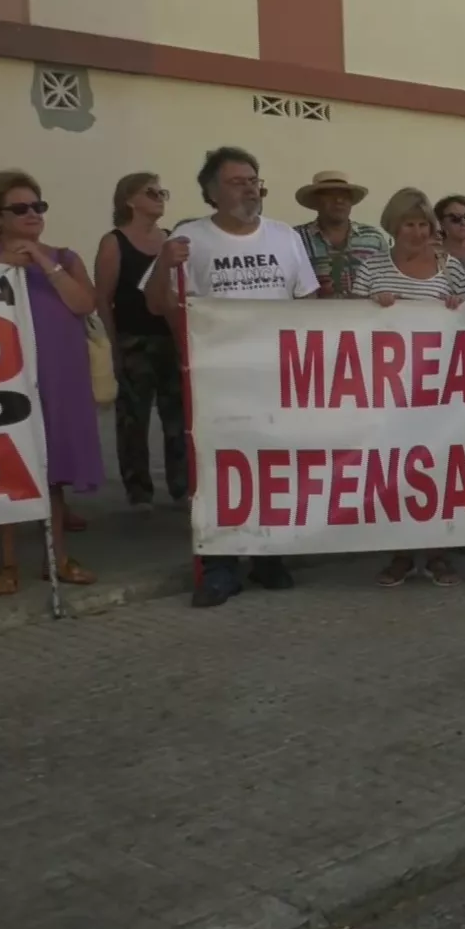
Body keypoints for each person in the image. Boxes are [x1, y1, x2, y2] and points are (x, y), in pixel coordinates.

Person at [144, 147, 321, 607]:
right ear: (211, 191)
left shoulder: (284, 237)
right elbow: (158, 305)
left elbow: (307, 306)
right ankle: (221, 565)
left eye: (253, 179)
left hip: (277, 376)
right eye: (237, 180)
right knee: (220, 471)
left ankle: (269, 555)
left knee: (276, 466)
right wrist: (165, 265)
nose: (249, 187)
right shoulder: (188, 238)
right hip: (216, 377)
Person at [0, 170, 104, 594]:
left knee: (52, 471)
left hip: (58, 374)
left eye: (38, 206)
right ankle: (8, 562)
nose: (33, 214)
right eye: (20, 208)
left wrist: (43, 262)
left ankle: (58, 558)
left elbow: (84, 303)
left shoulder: (64, 257)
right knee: (7, 467)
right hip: (3, 376)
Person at [351, 188, 465, 588]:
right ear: (394, 226)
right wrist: (374, 304)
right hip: (390, 392)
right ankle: (401, 552)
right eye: (410, 224)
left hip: (439, 389)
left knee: (438, 467)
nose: (418, 232)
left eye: (424, 224)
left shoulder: (450, 266)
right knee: (394, 469)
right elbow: (350, 321)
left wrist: (459, 303)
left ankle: (438, 553)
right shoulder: (372, 267)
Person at [95, 172, 187, 511]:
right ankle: (139, 491)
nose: (160, 197)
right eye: (151, 192)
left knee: (177, 415)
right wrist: (114, 344)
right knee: (134, 418)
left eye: (163, 191)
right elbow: (103, 298)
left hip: (170, 336)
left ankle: (181, 486)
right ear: (129, 200)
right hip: (134, 338)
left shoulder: (170, 239)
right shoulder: (114, 242)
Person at [294, 170, 388, 299]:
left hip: (365, 317)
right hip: (312, 317)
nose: (339, 200)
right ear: (316, 201)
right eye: (329, 195)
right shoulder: (295, 239)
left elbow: (387, 281)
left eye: (345, 195)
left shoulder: (373, 239)